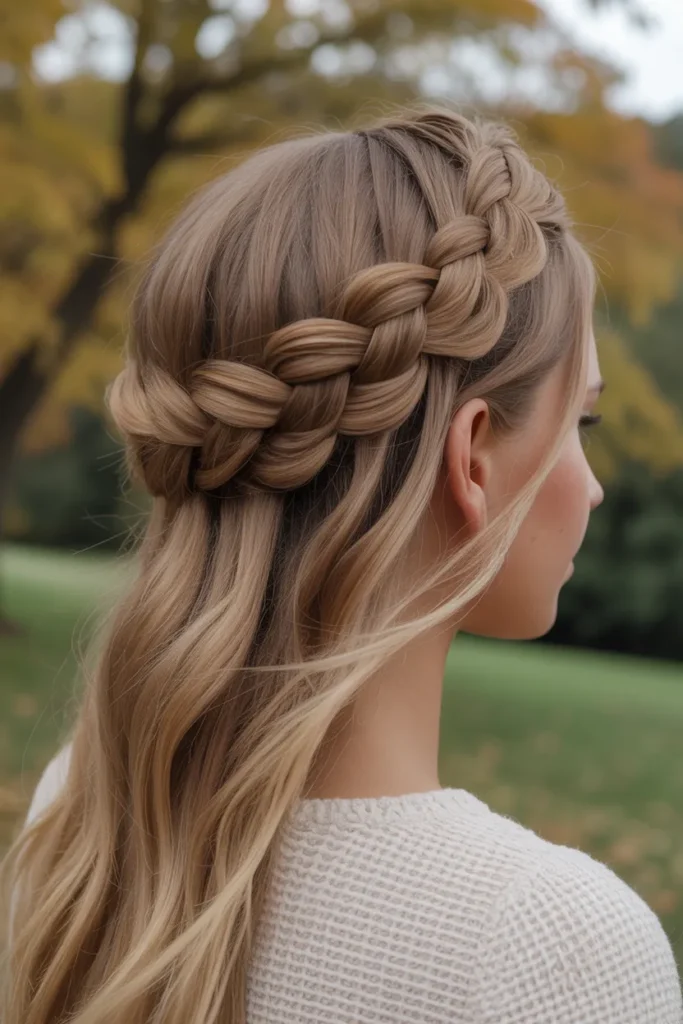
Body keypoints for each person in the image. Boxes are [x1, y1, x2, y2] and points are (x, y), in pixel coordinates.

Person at [2, 104, 681, 1024]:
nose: (592, 488)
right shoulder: (549, 946)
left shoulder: (79, 816)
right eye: (581, 424)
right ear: (472, 456)